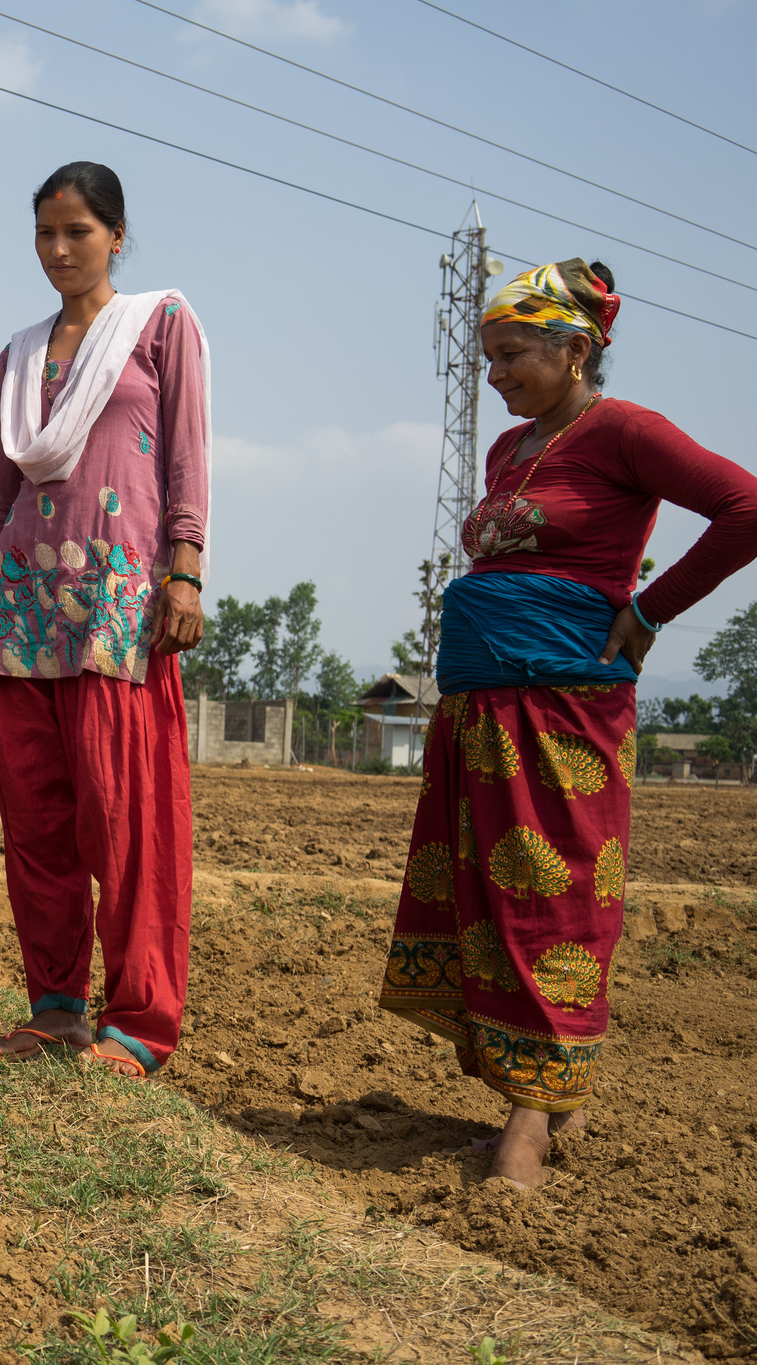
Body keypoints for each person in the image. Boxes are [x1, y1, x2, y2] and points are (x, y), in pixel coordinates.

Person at [378, 259, 757, 1189]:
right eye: (490, 355)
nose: (496, 374)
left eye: (511, 353)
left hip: (561, 712)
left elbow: (746, 506)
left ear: (575, 347)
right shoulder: (512, 450)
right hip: (479, 712)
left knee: (551, 899)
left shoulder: (626, 430)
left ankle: (530, 1122)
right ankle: (540, 1092)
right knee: (488, 901)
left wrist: (652, 608)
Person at [0, 161, 210, 1077]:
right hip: (21, 606)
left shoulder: (160, 325)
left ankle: (138, 1018)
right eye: (45, 234)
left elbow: (185, 455)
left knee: (125, 818)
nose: (59, 250)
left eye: (79, 233)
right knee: (38, 822)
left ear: (117, 236)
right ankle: (55, 1007)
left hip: (117, 604)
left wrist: (186, 570)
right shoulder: (20, 354)